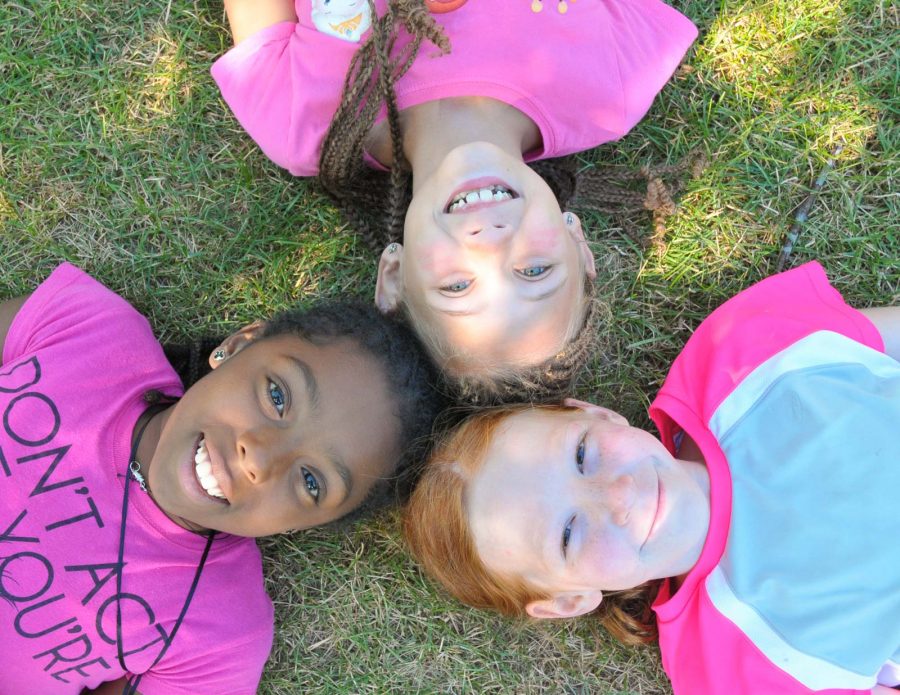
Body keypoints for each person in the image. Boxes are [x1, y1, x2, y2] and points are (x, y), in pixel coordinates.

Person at [404, 262, 900, 695]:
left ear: (597, 414)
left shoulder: (742, 354)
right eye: (569, 533)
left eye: (582, 454)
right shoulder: (730, 674)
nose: (618, 493)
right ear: (570, 600)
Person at [211, 0, 699, 402]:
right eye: (534, 272)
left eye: (458, 286)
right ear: (577, 241)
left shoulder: (300, 126)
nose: (491, 244)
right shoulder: (613, 85)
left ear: (394, 278)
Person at [0, 262, 444, 695]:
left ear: (303, 526)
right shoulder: (89, 330)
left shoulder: (220, 638)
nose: (261, 457)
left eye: (311, 481)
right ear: (237, 346)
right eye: (277, 396)